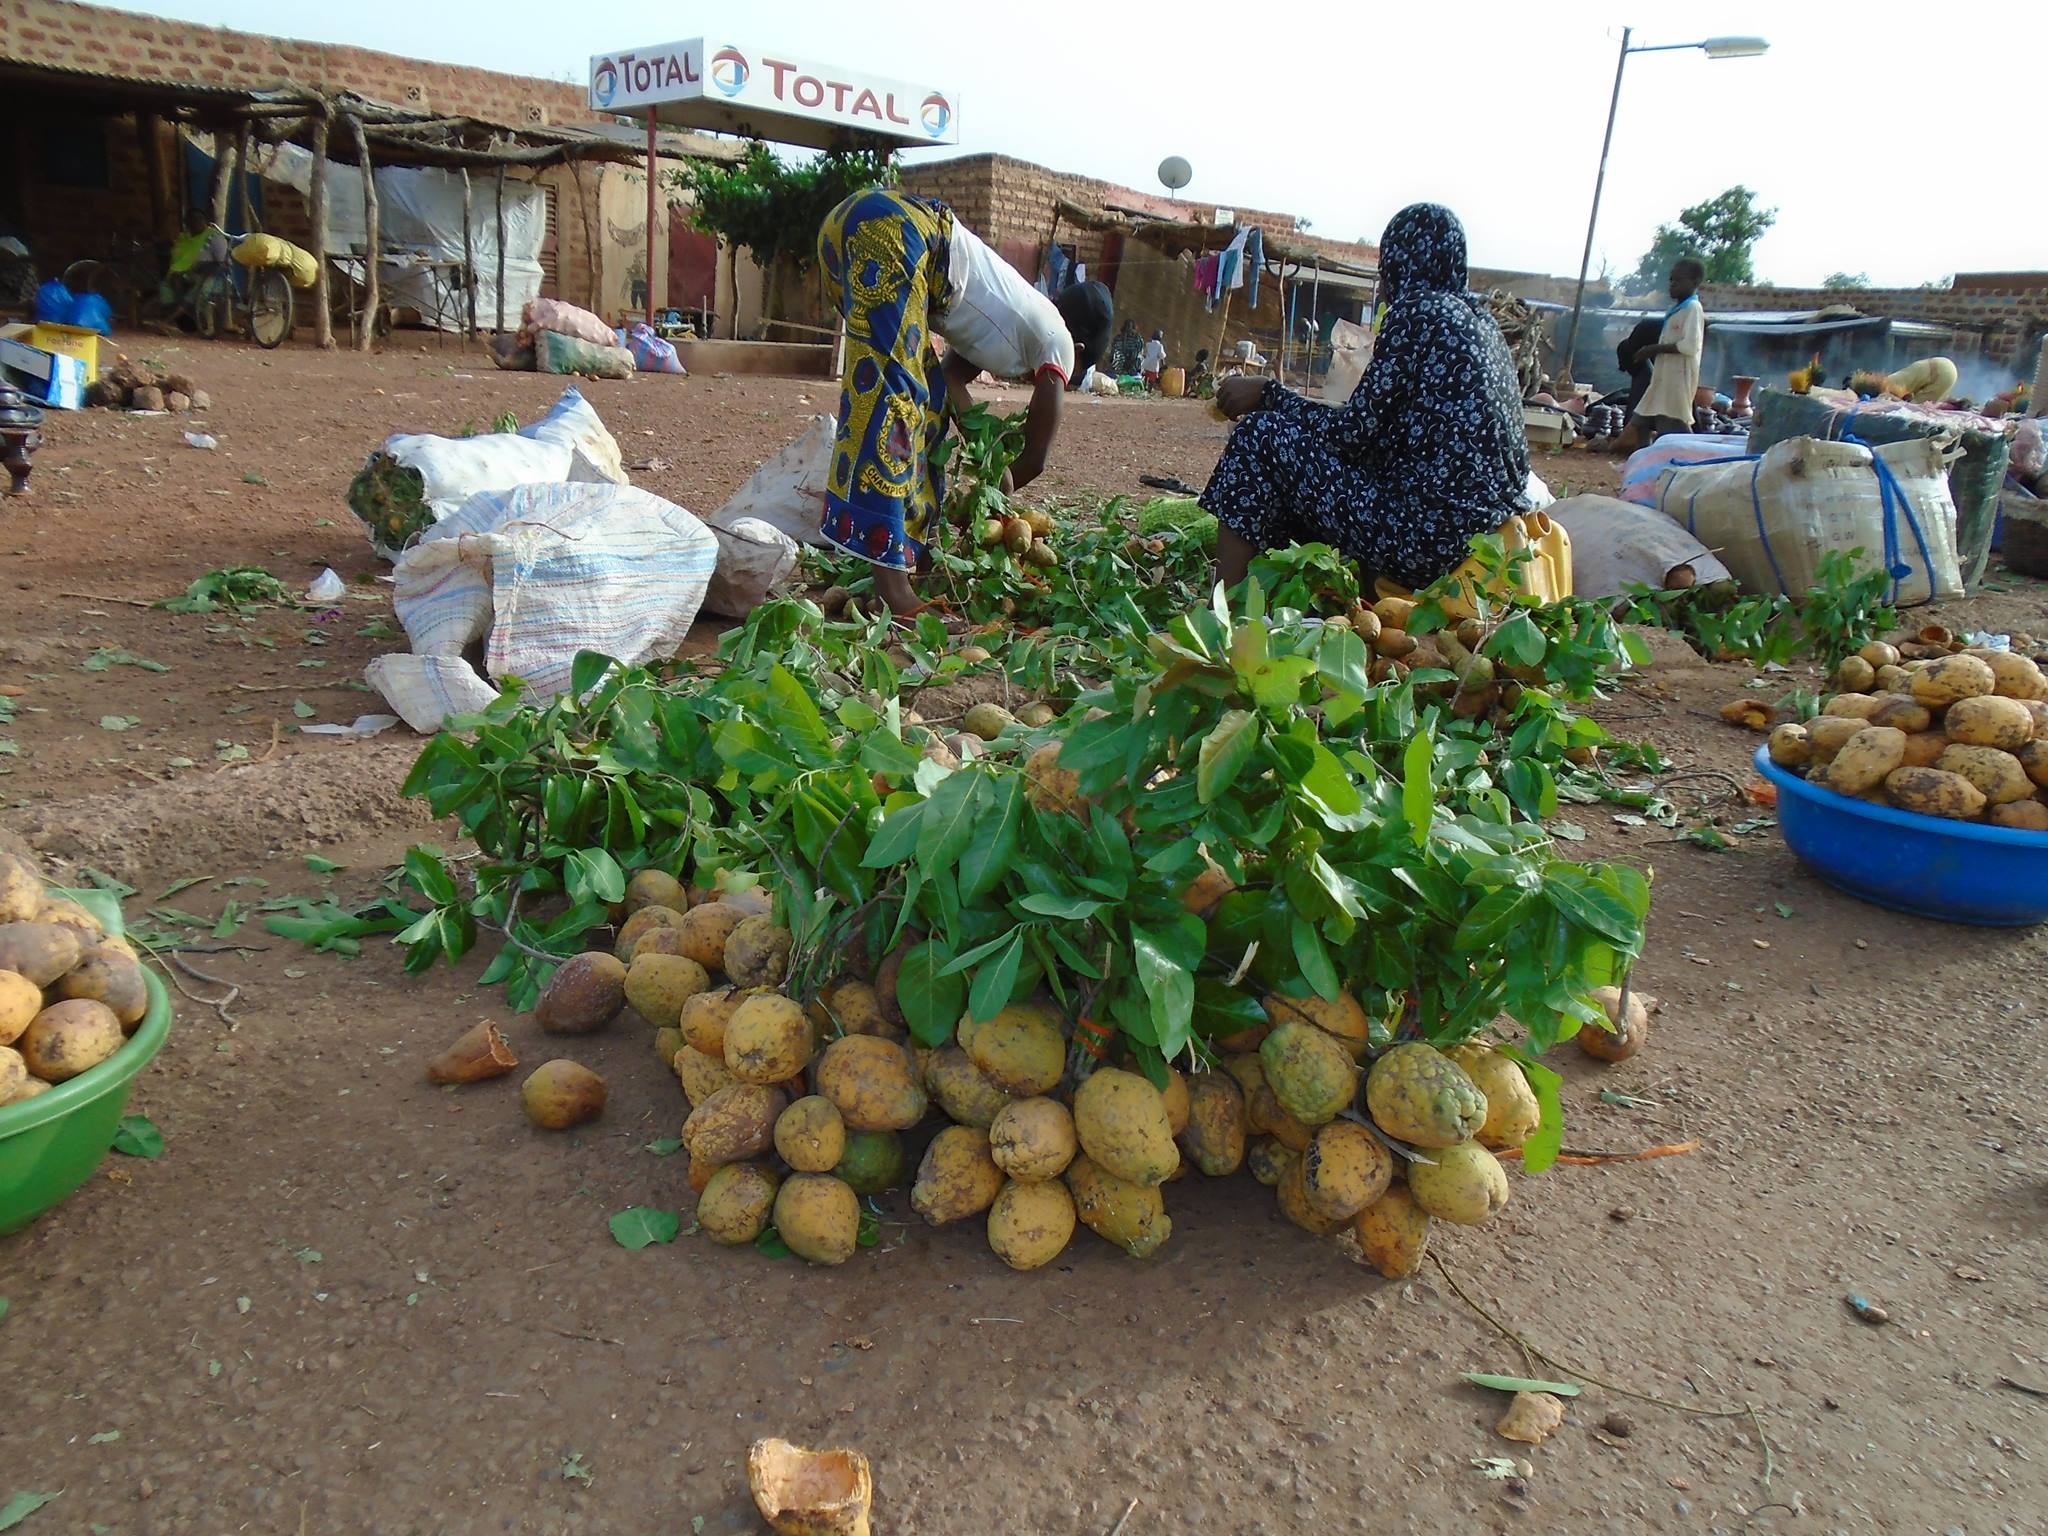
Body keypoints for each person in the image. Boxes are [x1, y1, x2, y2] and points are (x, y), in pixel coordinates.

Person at [1198, 202, 1530, 591]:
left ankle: (1220, 610)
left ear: (1396, 264)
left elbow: (1349, 437)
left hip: (1427, 544)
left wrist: (1270, 395)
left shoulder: (1417, 314)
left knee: (1259, 437)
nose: (1384, 283)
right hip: (1485, 539)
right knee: (1307, 458)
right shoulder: (1481, 323)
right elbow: (1381, 433)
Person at [816, 185, 1112, 615]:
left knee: (926, 406)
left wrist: (982, 447)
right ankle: (893, 593)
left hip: (847, 228)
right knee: (894, 404)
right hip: (895, 233)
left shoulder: (1017, 317)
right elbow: (1034, 458)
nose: (1057, 380)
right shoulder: (1060, 340)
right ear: (1079, 353)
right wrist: (995, 492)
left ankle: (902, 553)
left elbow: (950, 382)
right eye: (1071, 377)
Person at [1628, 257, 1706, 442]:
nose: (1672, 284)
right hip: (1664, 380)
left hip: (1677, 382)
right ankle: (1646, 460)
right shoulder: (1678, 309)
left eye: (1678, 280)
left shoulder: (1693, 308)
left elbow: (1690, 346)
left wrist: (1653, 349)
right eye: (1671, 280)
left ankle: (1685, 460)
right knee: (1641, 422)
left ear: (1694, 283)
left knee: (1673, 431)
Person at [160, 208, 227, 315]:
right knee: (166, 287)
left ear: (206, 221)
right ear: (187, 223)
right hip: (182, 273)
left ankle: (177, 315)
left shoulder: (214, 237)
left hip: (208, 274)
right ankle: (176, 316)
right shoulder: (183, 238)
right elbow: (177, 257)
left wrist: (200, 269)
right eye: (192, 220)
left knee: (194, 287)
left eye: (199, 219)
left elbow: (222, 261)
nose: (196, 222)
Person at [1886, 356, 1958, 403]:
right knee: (1932, 404)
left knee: (1917, 407)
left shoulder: (1890, 386)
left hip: (1940, 372)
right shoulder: (1896, 379)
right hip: (1942, 364)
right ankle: (1956, 403)